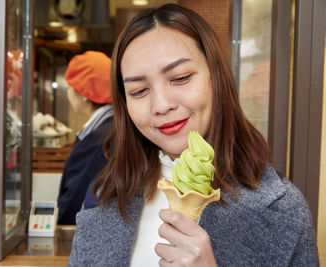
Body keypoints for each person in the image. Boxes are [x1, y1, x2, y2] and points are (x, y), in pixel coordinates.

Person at [68, 4, 319, 267]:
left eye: (180, 77)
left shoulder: (283, 207)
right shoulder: (104, 193)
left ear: (216, 77)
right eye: (139, 91)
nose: (161, 104)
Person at [57, 51, 113, 225]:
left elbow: (75, 198)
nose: (68, 94)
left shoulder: (98, 140)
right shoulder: (111, 126)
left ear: (83, 93)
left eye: (70, 88)